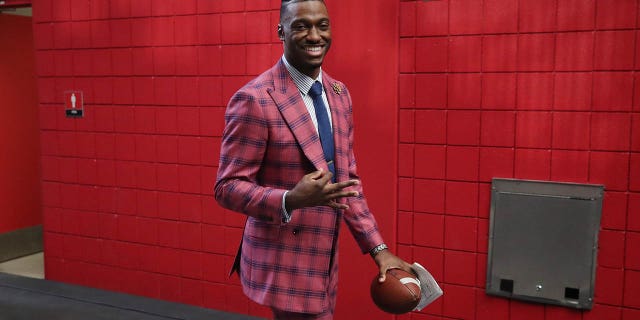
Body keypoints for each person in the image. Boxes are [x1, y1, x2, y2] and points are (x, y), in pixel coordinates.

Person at [214, 0, 413, 318]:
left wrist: (378, 249)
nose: (314, 35)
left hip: (323, 255)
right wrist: (289, 199)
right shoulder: (254, 99)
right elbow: (226, 187)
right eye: (301, 25)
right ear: (281, 31)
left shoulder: (339, 94)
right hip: (283, 258)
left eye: (322, 25)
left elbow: (348, 183)